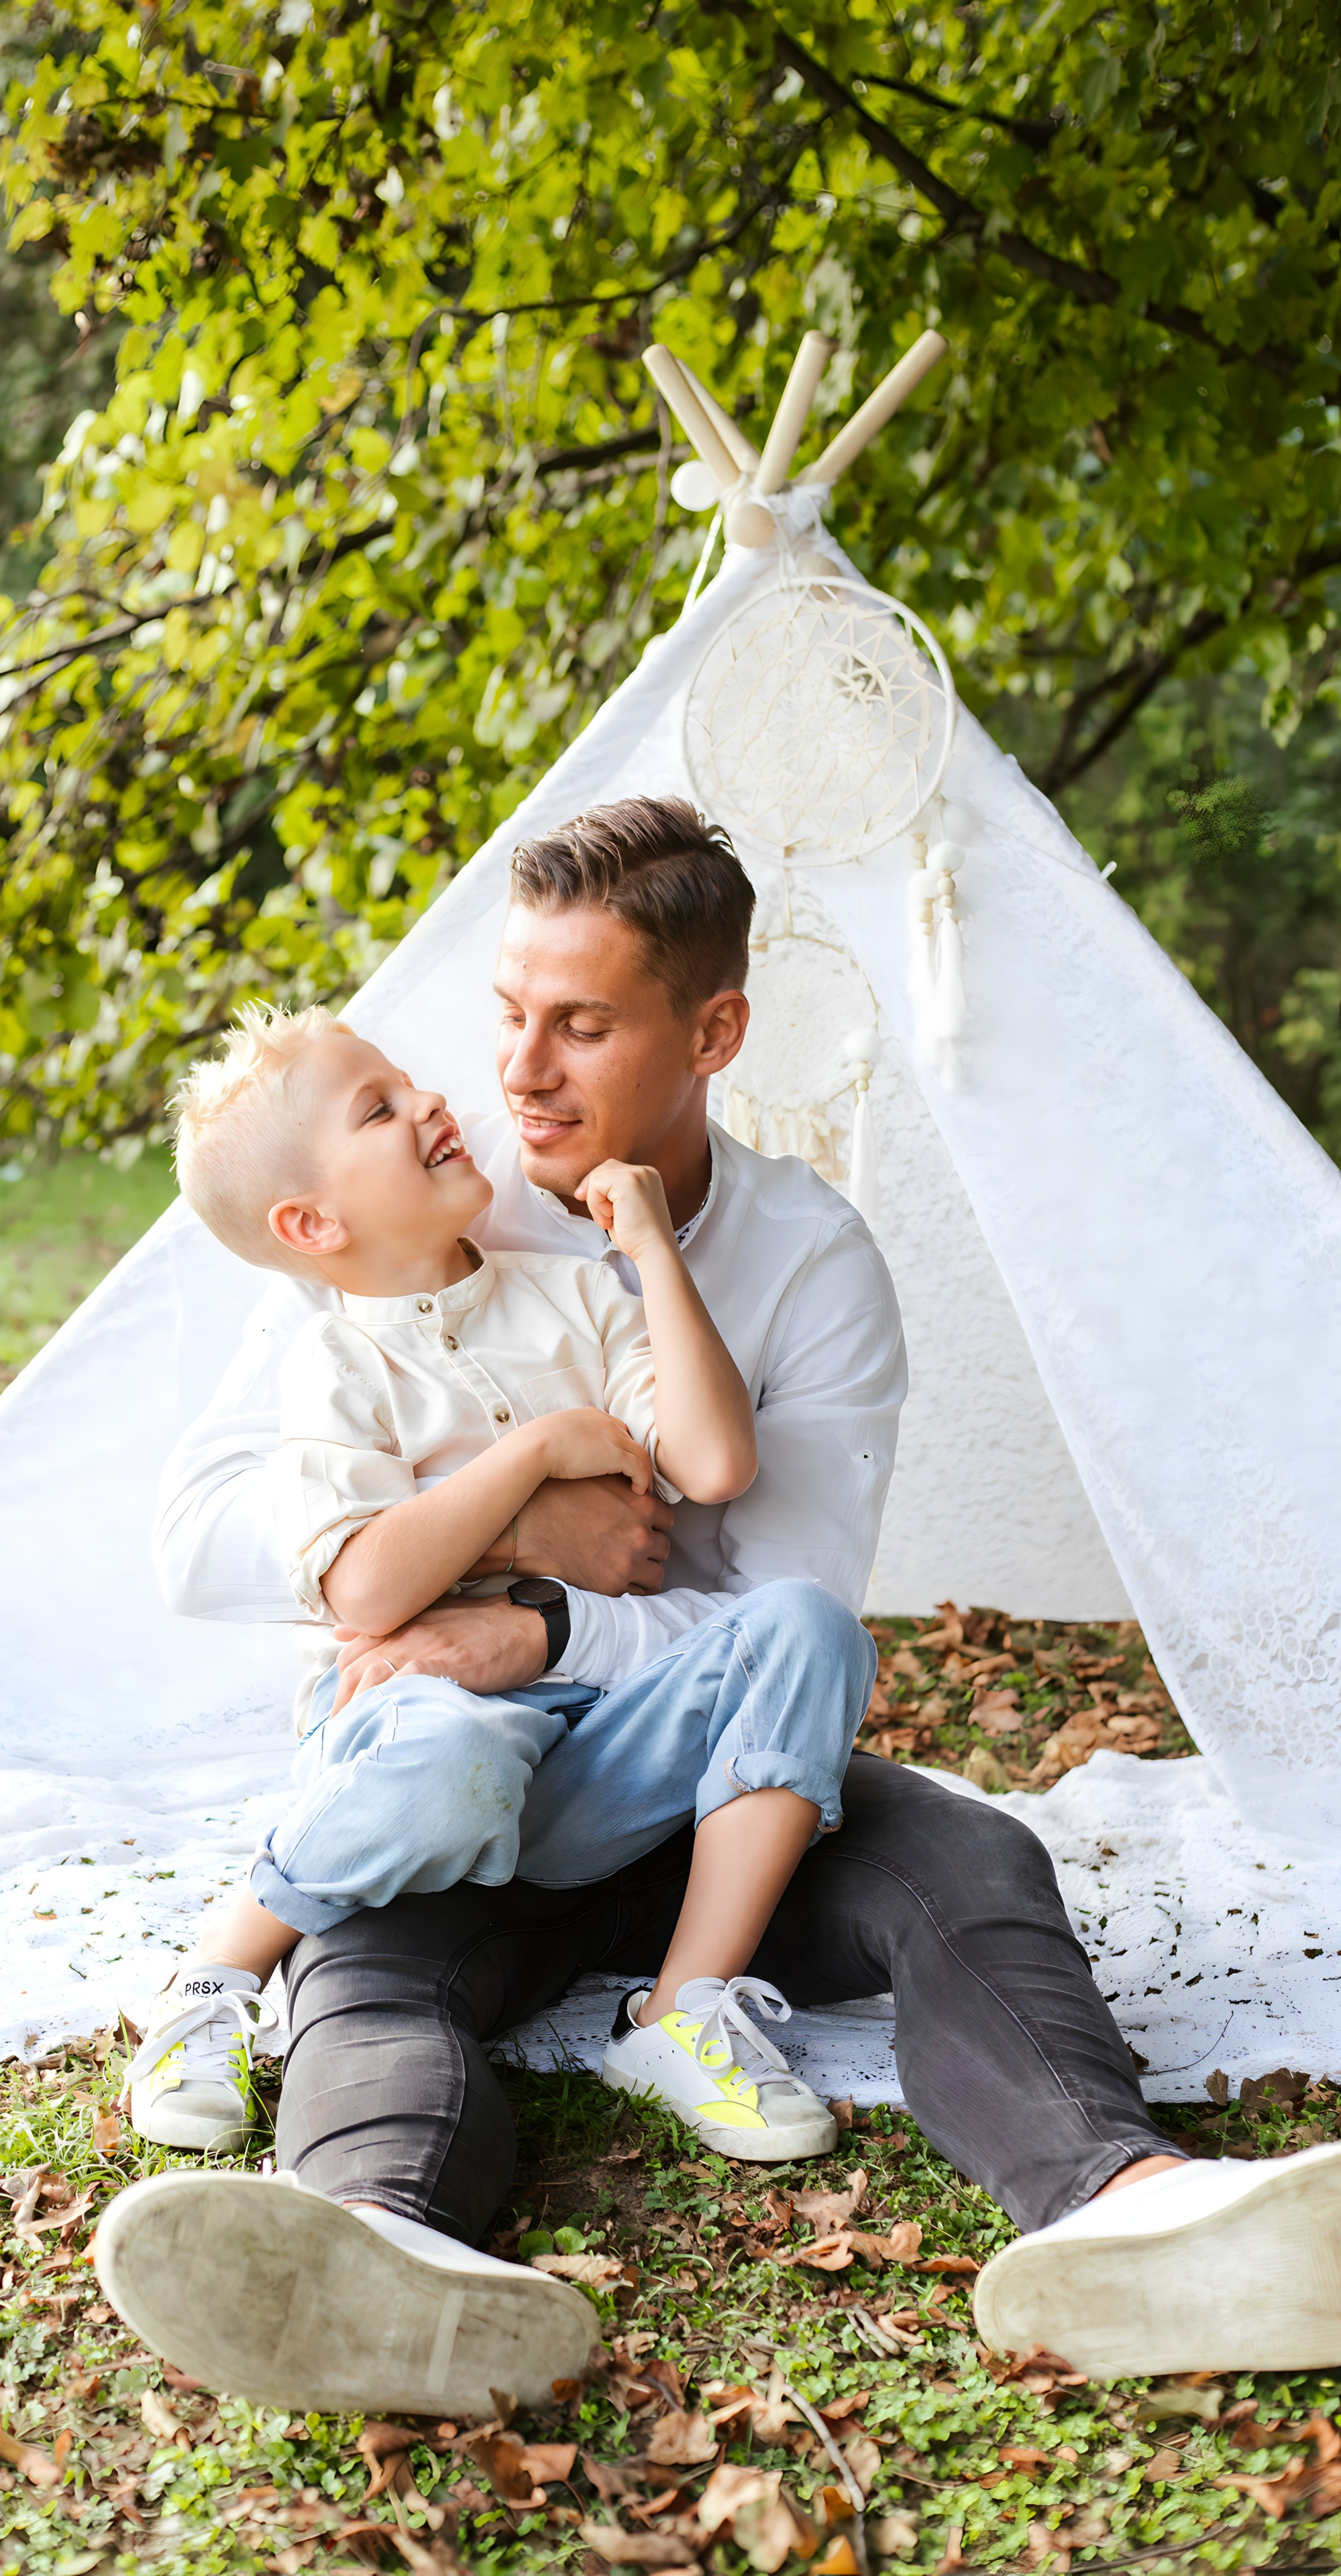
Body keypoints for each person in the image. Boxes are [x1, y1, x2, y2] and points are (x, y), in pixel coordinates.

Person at [93, 795, 1341, 2414]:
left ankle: (1124, 2205)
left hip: (701, 1791)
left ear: (712, 1031)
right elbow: (201, 1535)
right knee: (375, 1948)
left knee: (967, 1857)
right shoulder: (428, 1211)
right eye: (507, 1020)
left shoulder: (808, 1265)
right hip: (461, 1775)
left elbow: (784, 1611)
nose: (519, 1075)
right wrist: (524, 1518)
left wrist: (535, 1620)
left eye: (582, 1026)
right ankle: (366, 2248)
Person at [128, 998, 848, 2165]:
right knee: (456, 1754)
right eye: (379, 1107)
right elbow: (365, 1591)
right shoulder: (334, 1360)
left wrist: (654, 1251)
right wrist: (535, 1453)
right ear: (311, 1221)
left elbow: (714, 1462)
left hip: (590, 1755)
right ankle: (212, 1980)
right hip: (413, 1749)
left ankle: (681, 2013)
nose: (430, 1100)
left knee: (808, 1626)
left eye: (410, 1081)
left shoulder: (579, 1298)